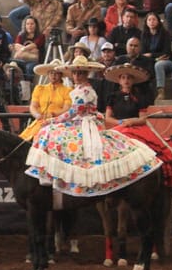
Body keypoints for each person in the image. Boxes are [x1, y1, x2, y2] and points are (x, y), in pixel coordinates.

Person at [25, 56, 161, 196]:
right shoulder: (78, 89)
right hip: (78, 121)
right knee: (49, 132)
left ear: (87, 74)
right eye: (75, 73)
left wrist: (53, 121)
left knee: (51, 131)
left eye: (81, 73)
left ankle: (65, 177)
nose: (77, 76)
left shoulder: (86, 91)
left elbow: (73, 112)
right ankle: (50, 173)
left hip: (85, 124)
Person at [103, 63, 172, 189]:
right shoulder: (113, 97)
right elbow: (108, 117)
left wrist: (132, 122)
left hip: (136, 127)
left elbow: (143, 118)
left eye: (129, 78)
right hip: (119, 128)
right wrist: (121, 122)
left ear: (133, 80)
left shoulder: (139, 97)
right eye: (123, 78)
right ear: (119, 80)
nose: (126, 80)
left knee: (158, 149)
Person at [19, 59, 71, 140]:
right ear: (48, 74)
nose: (53, 76)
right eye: (51, 73)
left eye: (56, 73)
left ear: (61, 75)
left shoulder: (67, 90)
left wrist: (53, 115)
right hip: (41, 121)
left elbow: (67, 108)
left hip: (59, 122)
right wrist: (37, 115)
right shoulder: (40, 88)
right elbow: (33, 106)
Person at [140, 11, 172, 101]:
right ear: (146, 22)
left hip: (168, 61)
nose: (151, 22)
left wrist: (151, 55)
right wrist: (155, 57)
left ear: (158, 21)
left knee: (159, 64)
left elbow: (166, 53)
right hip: (152, 61)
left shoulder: (165, 33)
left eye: (154, 19)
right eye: (149, 20)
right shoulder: (144, 35)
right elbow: (143, 53)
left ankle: (161, 91)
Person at [115, 36, 156, 101]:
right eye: (130, 45)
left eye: (135, 46)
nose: (133, 48)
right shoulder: (120, 59)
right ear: (126, 46)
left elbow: (150, 75)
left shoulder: (147, 60)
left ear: (140, 48)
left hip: (140, 89)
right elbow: (114, 74)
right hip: (121, 90)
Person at [11, 15, 45, 80]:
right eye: (27, 24)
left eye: (32, 24)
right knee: (12, 66)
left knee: (29, 68)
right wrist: (29, 50)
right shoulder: (21, 35)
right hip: (21, 59)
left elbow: (35, 45)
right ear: (25, 25)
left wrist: (23, 49)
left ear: (36, 25)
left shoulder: (41, 36)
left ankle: (28, 85)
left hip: (35, 60)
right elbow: (16, 45)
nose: (30, 26)